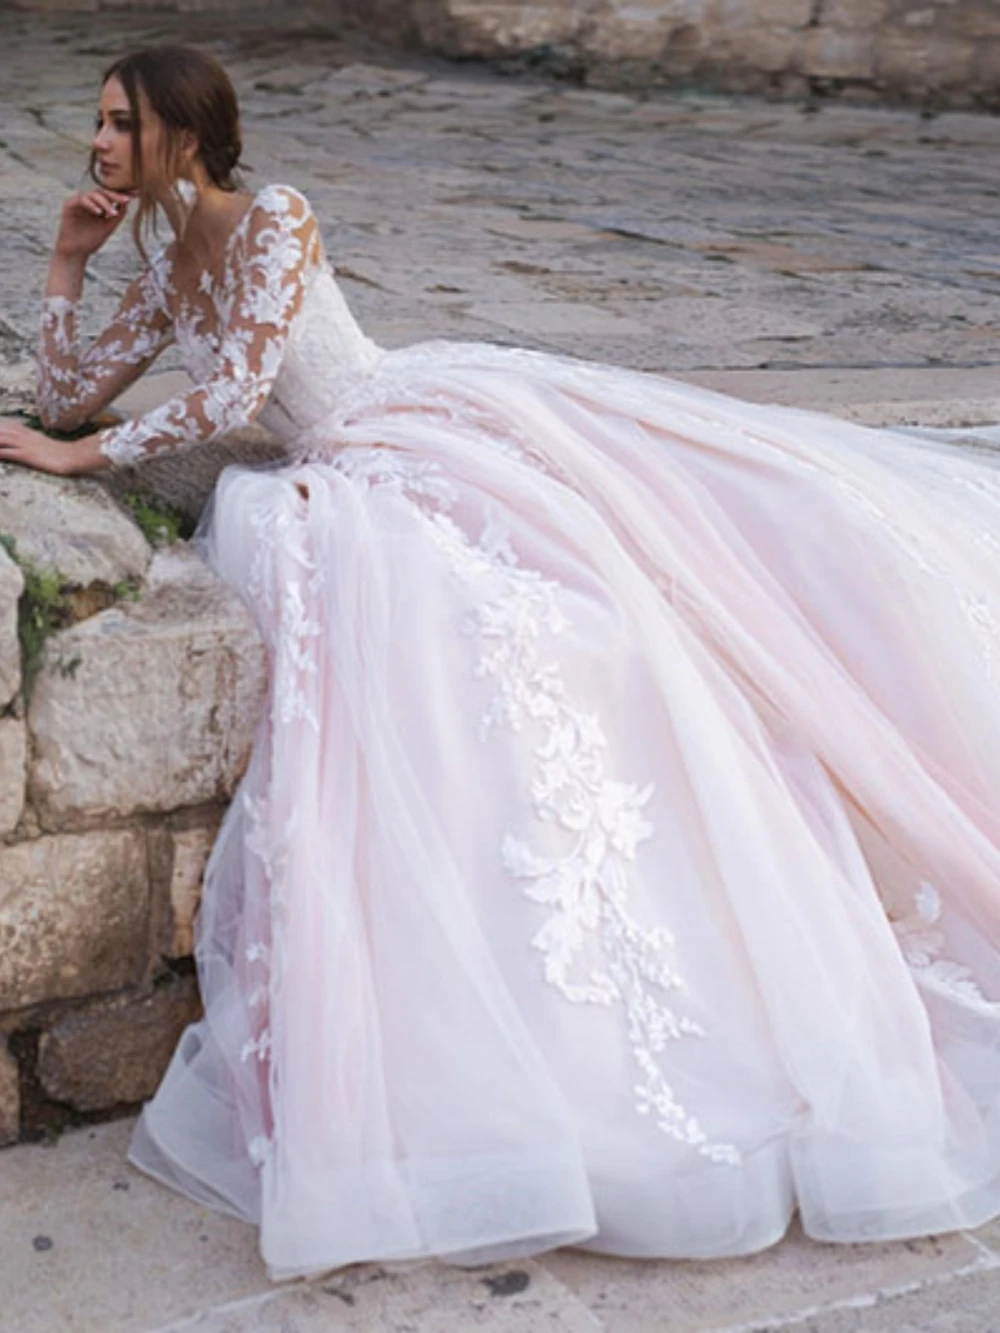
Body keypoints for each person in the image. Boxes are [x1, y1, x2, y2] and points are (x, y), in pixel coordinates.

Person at [4, 44, 1000, 1283]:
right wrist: (66, 265)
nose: (96, 144)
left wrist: (74, 465)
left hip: (400, 428)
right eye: (95, 124)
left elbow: (237, 391)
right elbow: (63, 391)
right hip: (331, 470)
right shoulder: (161, 266)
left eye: (116, 125)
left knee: (570, 606)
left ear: (180, 136)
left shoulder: (274, 220)